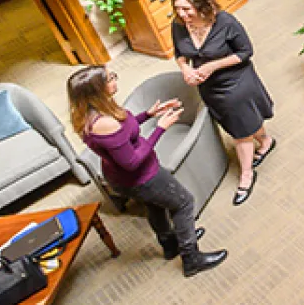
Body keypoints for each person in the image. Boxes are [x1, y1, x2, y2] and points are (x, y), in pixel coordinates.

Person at [68, 66, 227, 277]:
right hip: (140, 177)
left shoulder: (93, 112)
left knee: (156, 206)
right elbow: (132, 162)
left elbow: (126, 130)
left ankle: (171, 245)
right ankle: (191, 258)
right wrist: (161, 127)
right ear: (97, 89)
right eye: (110, 78)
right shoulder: (104, 124)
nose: (115, 79)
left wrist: (150, 114)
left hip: (124, 178)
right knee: (184, 203)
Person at [171, 0, 275, 206]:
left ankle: (246, 176)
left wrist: (211, 66)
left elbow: (245, 52)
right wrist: (185, 68)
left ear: (201, 5)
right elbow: (180, 53)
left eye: (186, 9)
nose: (182, 14)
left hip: (236, 82)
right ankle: (265, 141)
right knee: (243, 122)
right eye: (177, 9)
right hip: (208, 86)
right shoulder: (179, 25)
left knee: (240, 132)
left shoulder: (226, 22)